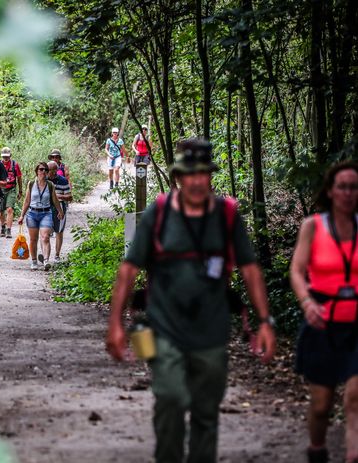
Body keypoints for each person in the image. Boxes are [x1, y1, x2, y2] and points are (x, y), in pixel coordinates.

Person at [106, 138, 276, 463]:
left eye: (203, 174)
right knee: (169, 399)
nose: (197, 181)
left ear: (210, 176)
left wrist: (266, 321)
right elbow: (129, 270)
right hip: (162, 329)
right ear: (178, 177)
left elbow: (251, 269)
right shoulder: (159, 212)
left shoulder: (226, 215)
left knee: (205, 412)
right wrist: (115, 324)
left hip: (211, 333)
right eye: (190, 174)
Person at [290, 161, 358, 463]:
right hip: (323, 321)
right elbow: (297, 270)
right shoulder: (313, 226)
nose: (348, 193)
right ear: (330, 191)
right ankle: (317, 451)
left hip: (356, 324)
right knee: (321, 405)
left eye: (354, 187)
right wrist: (306, 302)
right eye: (342, 187)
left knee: (355, 398)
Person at [18, 162, 64, 271]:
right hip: (32, 214)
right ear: (37, 171)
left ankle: (46, 260)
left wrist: (60, 211)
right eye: (41, 169)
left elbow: (55, 200)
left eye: (45, 170)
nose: (43, 172)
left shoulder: (50, 185)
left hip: (46, 213)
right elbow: (27, 201)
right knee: (33, 239)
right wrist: (21, 215)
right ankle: (34, 261)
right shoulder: (31, 184)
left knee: (45, 237)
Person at [47, 160, 72, 262]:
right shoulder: (44, 180)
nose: (51, 172)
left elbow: (70, 197)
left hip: (60, 208)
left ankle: (57, 255)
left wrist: (57, 197)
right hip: (47, 209)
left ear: (57, 170)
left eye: (53, 170)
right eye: (48, 170)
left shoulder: (63, 181)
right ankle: (46, 256)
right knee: (46, 232)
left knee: (59, 232)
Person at [0, 146, 23, 239]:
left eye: (7, 156)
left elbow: (19, 178)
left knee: (9, 209)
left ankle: (8, 230)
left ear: (10, 156)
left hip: (11, 189)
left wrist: (20, 190)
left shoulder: (14, 165)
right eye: (4, 156)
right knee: (1, 210)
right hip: (1, 189)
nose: (5, 158)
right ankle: (2, 227)